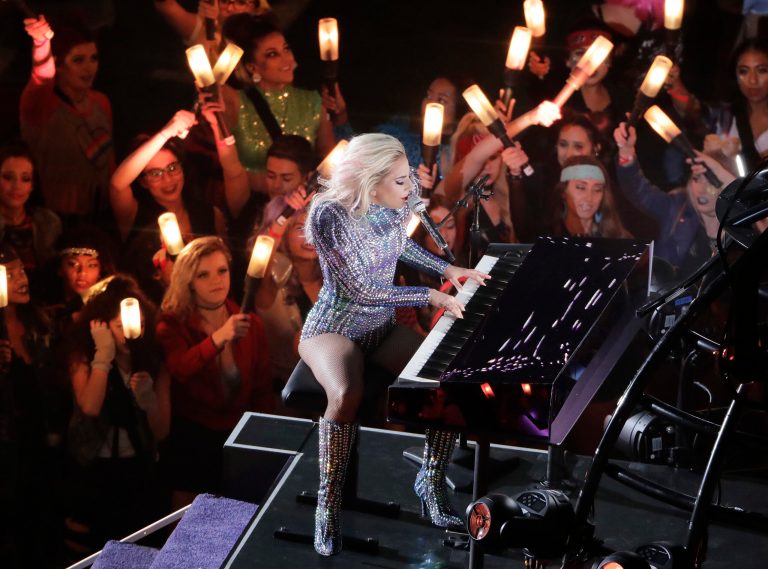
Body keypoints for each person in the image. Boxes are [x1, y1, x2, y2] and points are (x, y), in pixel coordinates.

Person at [299, 133, 489, 555]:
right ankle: (327, 506)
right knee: (346, 392)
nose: (411, 189)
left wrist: (448, 269)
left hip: (381, 328)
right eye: (401, 181)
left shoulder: (391, 205)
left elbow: (400, 244)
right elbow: (363, 290)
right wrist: (429, 294)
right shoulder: (329, 216)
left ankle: (430, 477)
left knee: (447, 376)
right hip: (335, 328)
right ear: (369, 180)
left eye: (408, 179)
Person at [156, 237, 271, 509]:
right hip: (193, 436)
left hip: (239, 433)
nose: (216, 280)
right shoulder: (173, 323)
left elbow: (262, 389)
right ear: (189, 281)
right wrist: (219, 338)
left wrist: (264, 439)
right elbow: (180, 368)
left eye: (222, 271)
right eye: (203, 275)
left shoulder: (251, 324)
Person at [63, 275, 170, 556]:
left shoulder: (154, 362)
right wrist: (103, 356)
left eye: (137, 325)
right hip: (95, 471)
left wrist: (148, 400)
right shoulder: (83, 356)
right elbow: (89, 407)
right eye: (119, 326)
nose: (128, 333)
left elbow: (161, 432)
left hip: (138, 471)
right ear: (103, 325)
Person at [221, 15, 337, 190]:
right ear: (252, 66)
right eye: (273, 54)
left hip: (300, 208)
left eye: (286, 49)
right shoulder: (236, 102)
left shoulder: (312, 101)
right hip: (254, 207)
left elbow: (328, 159)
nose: (286, 59)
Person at [20, 16, 114, 222]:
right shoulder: (42, 107)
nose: (89, 68)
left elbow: (109, 163)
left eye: (94, 58)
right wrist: (41, 43)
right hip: (58, 220)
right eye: (78, 60)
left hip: (102, 215)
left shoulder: (101, 102)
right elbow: (41, 77)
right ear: (58, 64)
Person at [614, 122, 737, 276]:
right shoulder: (677, 206)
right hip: (670, 296)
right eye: (697, 179)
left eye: (711, 181)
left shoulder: (743, 225)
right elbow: (639, 191)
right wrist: (626, 153)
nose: (702, 189)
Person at [0, 244, 56, 568]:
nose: (21, 279)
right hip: (9, 449)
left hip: (40, 442)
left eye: (21, 271)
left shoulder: (38, 323)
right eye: (9, 274)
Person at [0, 141, 61, 283]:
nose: (17, 186)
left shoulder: (48, 222)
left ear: (32, 185)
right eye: (8, 177)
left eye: (25, 179)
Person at [706, 37, 768, 171]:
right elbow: (691, 110)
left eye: (762, 70)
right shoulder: (725, 116)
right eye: (744, 71)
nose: (752, 80)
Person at [552, 155, 631, 239]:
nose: (589, 198)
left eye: (597, 189)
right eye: (581, 187)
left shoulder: (618, 238)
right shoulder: (548, 236)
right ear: (563, 191)